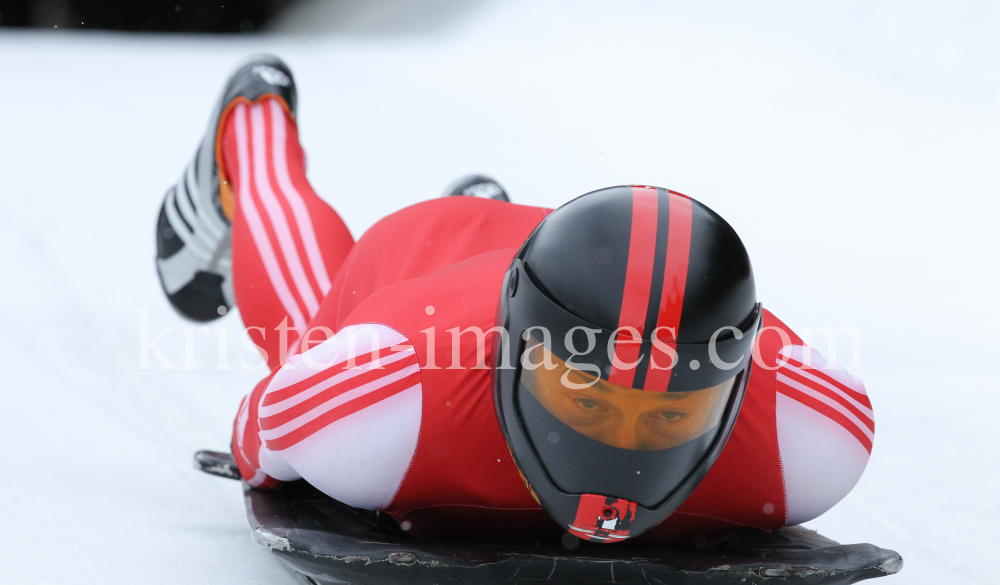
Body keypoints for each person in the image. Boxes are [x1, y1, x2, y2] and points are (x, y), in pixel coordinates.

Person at [156, 55, 874, 546]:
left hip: (559, 256)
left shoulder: (813, 430)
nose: (621, 454)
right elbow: (270, 417)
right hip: (422, 263)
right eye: (589, 401)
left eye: (668, 417)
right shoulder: (377, 394)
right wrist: (271, 448)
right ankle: (254, 127)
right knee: (302, 327)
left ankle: (482, 210)